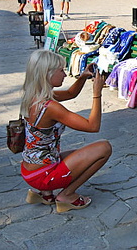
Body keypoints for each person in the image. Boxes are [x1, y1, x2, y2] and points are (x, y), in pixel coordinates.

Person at [20, 50, 112, 213]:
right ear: (47, 74)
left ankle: (46, 194)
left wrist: (83, 76)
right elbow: (93, 126)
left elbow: (71, 93)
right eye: (61, 70)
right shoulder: (50, 107)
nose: (64, 74)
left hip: (31, 169)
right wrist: (97, 93)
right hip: (43, 174)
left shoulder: (33, 96)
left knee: (82, 154)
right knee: (103, 148)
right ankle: (67, 195)